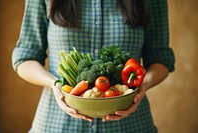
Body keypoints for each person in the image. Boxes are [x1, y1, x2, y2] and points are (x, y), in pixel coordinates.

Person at [12, 0, 175, 132]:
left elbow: (160, 58)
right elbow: (26, 57)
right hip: (56, 125)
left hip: (131, 125)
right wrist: (55, 84)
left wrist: (142, 88)